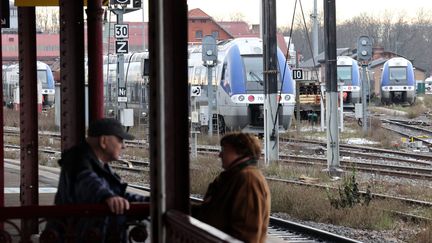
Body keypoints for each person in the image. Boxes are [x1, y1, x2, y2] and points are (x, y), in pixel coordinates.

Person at [44, 118, 149, 242]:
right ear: (103, 141)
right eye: (120, 140)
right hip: (79, 236)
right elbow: (87, 182)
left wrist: (146, 201)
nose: (124, 146)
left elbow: (118, 193)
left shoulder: (98, 164)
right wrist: (107, 196)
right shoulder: (78, 160)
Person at [194, 132, 271, 243]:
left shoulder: (248, 180)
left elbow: (246, 234)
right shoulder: (234, 176)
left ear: (240, 152)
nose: (220, 155)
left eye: (224, 149)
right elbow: (215, 211)